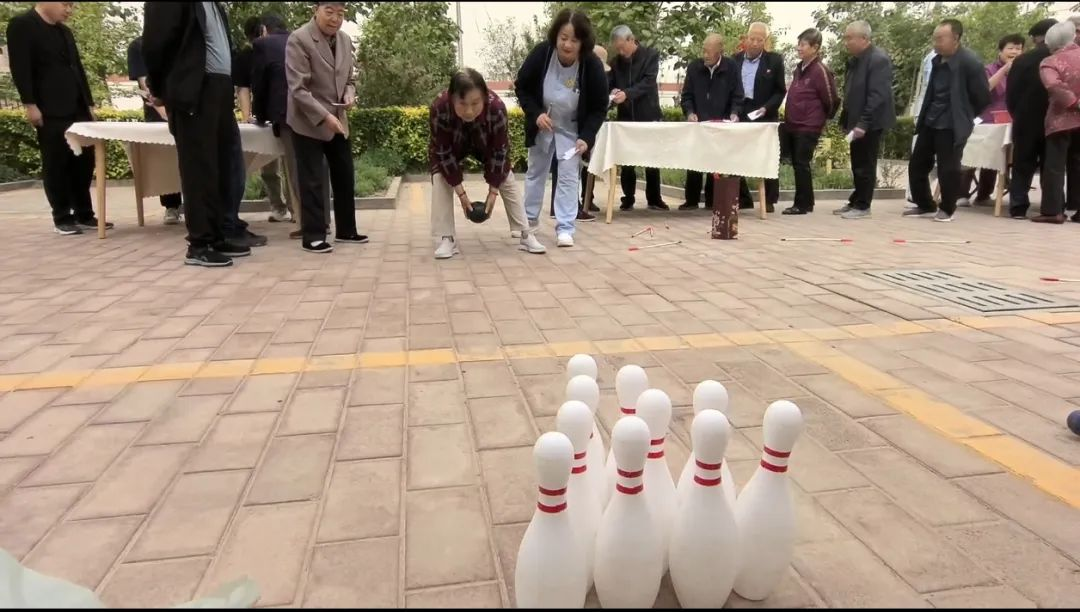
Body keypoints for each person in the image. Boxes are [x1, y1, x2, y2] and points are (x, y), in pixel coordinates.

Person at [6, 2, 108, 236]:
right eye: (66, 4)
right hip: (49, 107)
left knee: (84, 161)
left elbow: (77, 68)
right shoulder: (22, 25)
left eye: (72, 5)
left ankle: (84, 213)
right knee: (56, 162)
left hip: (77, 107)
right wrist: (30, 104)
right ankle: (62, 216)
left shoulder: (65, 31)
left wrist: (89, 104)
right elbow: (20, 68)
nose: (69, 10)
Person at [515, 9, 608, 248]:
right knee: (536, 173)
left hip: (572, 130)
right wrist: (535, 114)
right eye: (563, 38)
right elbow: (522, 87)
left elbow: (599, 107)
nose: (567, 45)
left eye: (574, 40)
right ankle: (529, 222)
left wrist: (587, 137)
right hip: (543, 126)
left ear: (583, 42)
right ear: (555, 36)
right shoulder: (542, 54)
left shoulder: (592, 65)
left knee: (568, 176)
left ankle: (565, 227)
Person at [429, 69, 545, 259]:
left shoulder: (497, 108)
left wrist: (493, 192)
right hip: (453, 145)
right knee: (440, 175)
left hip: (486, 145)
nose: (469, 111)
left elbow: (500, 152)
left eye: (475, 103)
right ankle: (446, 237)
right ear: (452, 98)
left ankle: (526, 233)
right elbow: (442, 153)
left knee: (505, 174)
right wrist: (462, 195)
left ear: (484, 97)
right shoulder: (439, 107)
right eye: (462, 104)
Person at [285, 1, 367, 253]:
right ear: (316, 10)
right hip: (307, 120)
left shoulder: (344, 40)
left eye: (340, 13)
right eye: (329, 12)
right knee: (312, 180)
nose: (335, 18)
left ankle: (346, 230)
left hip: (338, 118)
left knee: (344, 175)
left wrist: (350, 94)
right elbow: (298, 89)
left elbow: (349, 79)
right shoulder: (299, 39)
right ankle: (313, 235)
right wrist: (324, 116)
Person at [251, 13, 330, 241]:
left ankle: (310, 224)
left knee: (297, 170)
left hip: (289, 114)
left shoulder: (263, 45)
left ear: (264, 29)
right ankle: (323, 220)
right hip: (317, 111)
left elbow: (260, 84)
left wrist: (259, 116)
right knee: (317, 168)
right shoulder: (305, 39)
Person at [906, 19, 991, 223]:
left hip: (952, 123)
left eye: (940, 39)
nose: (936, 43)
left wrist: (965, 115)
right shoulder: (936, 61)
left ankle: (947, 209)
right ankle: (925, 204)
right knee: (917, 164)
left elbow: (982, 97)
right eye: (934, 39)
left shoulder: (970, 62)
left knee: (948, 169)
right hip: (930, 119)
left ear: (956, 38)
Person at [835, 20, 896, 220]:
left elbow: (877, 96)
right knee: (857, 163)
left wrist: (863, 123)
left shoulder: (878, 60)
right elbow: (851, 93)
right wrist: (846, 121)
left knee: (865, 164)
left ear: (864, 38)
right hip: (856, 120)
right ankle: (856, 200)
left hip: (870, 123)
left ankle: (863, 206)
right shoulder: (856, 60)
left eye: (849, 38)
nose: (846, 42)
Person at [236, 15, 292, 225]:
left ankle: (294, 209)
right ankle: (279, 207)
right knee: (269, 165)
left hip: (282, 115)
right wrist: (247, 116)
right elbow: (243, 88)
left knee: (289, 164)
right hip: (264, 119)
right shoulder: (246, 56)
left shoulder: (287, 47)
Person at [958, 34, 1025, 208]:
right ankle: (961, 193)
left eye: (1018, 48)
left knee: (997, 155)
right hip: (986, 118)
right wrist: (1004, 71)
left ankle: (984, 194)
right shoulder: (988, 69)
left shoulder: (1022, 71)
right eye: (1010, 48)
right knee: (974, 151)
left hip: (1009, 120)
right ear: (1000, 51)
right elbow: (985, 88)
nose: (1014, 51)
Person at [679, 33, 743, 211]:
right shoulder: (694, 67)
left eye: (709, 51)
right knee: (694, 161)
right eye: (704, 51)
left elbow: (737, 95)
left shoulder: (731, 67)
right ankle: (691, 200)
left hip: (720, 124)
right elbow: (687, 96)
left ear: (720, 51)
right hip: (698, 124)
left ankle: (712, 200)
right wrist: (690, 112)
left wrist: (734, 114)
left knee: (716, 162)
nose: (705, 55)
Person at [546, 45, 611, 223]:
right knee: (566, 168)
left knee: (569, 168)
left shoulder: (587, 77)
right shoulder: (574, 76)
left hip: (576, 130)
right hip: (566, 128)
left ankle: (567, 206)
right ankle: (566, 208)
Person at [779, 28, 838, 215]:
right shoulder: (799, 69)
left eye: (803, 44)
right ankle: (807, 202)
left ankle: (802, 204)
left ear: (815, 47)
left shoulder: (820, 70)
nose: (799, 48)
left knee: (801, 163)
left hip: (808, 125)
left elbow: (831, 99)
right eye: (799, 44)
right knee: (798, 163)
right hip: (794, 124)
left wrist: (820, 119)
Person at [609, 25, 667, 211]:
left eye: (622, 47)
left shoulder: (650, 56)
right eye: (617, 49)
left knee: (652, 158)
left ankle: (654, 198)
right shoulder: (616, 63)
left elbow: (648, 82)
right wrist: (613, 92)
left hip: (648, 114)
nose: (620, 52)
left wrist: (627, 93)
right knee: (627, 161)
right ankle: (628, 197)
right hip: (626, 116)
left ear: (631, 39)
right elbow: (610, 84)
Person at [128, 35, 184, 225]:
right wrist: (163, 112)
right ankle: (171, 205)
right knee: (165, 160)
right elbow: (145, 83)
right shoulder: (138, 46)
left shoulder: (179, 41)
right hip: (158, 113)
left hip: (185, 106)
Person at [1007, 18, 1057, 219]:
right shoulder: (1060, 59)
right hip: (1053, 120)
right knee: (1051, 165)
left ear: (1038, 38)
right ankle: (1051, 207)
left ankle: (1018, 206)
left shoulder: (1022, 60)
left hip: (1025, 119)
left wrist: (1017, 114)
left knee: (1022, 163)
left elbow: (1011, 94)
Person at [733, 22, 786, 212]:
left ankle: (769, 200)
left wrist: (766, 108)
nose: (755, 43)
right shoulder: (735, 60)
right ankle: (743, 197)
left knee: (766, 156)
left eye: (760, 40)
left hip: (763, 112)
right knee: (736, 154)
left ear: (765, 41)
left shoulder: (774, 61)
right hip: (740, 111)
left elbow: (780, 91)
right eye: (752, 39)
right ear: (746, 38)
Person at [1034, 21, 1080, 223]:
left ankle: (1053, 211)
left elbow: (1052, 84)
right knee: (1078, 164)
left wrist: (1073, 102)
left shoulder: (1049, 61)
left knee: (1054, 165)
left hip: (1060, 119)